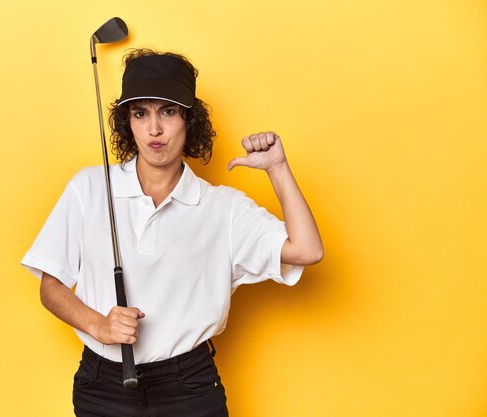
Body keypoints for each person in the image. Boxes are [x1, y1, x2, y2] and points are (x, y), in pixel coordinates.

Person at [21, 48, 323, 417]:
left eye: (167, 111)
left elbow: (307, 250)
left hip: (188, 389)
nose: (154, 129)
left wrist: (277, 168)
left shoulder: (222, 208)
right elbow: (50, 286)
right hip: (102, 387)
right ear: (127, 122)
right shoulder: (89, 187)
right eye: (140, 113)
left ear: (188, 120)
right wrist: (98, 325)